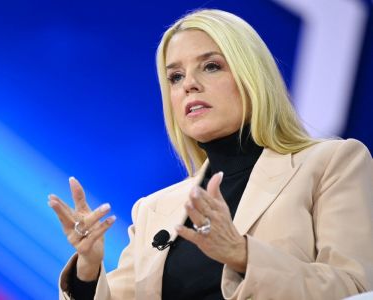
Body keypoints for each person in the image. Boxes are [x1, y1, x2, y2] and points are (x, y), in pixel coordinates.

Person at [48, 9, 373, 300]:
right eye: (175, 76)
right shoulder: (154, 210)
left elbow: (355, 287)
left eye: (211, 66)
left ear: (251, 78)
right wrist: (88, 268)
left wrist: (242, 254)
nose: (189, 84)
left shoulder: (331, 164)